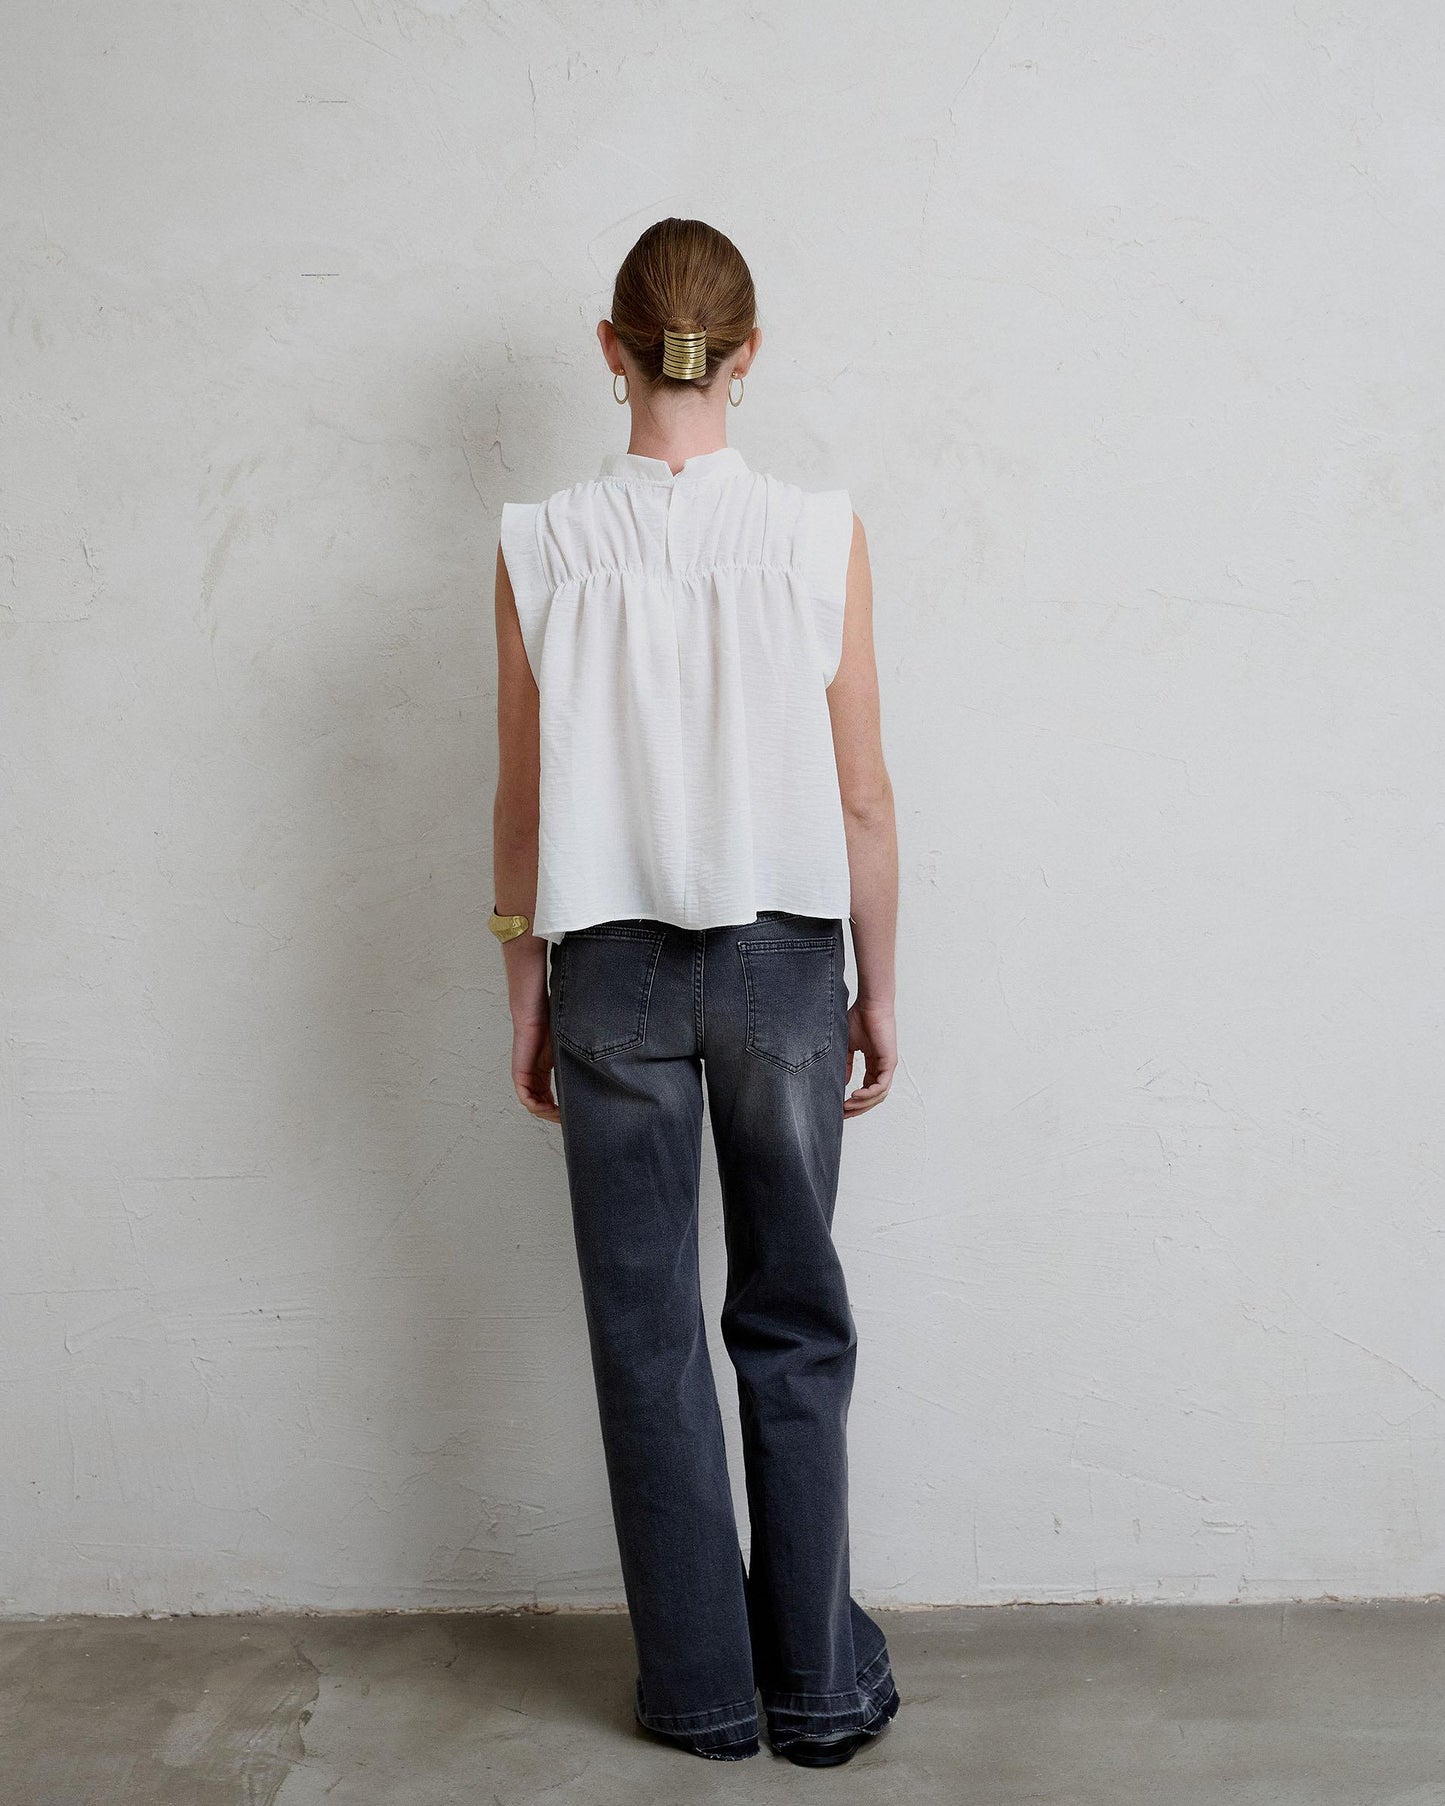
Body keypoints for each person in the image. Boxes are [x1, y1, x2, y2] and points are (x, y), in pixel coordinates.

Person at [489, 217, 901, 1766]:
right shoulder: (815, 532)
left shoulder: (542, 541)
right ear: (745, 354)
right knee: (791, 1317)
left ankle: (704, 1696)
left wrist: (522, 985)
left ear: (611, 350)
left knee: (644, 1328)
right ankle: (819, 1687)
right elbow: (861, 798)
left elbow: (521, 807)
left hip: (607, 962)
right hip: (788, 956)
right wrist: (876, 986)